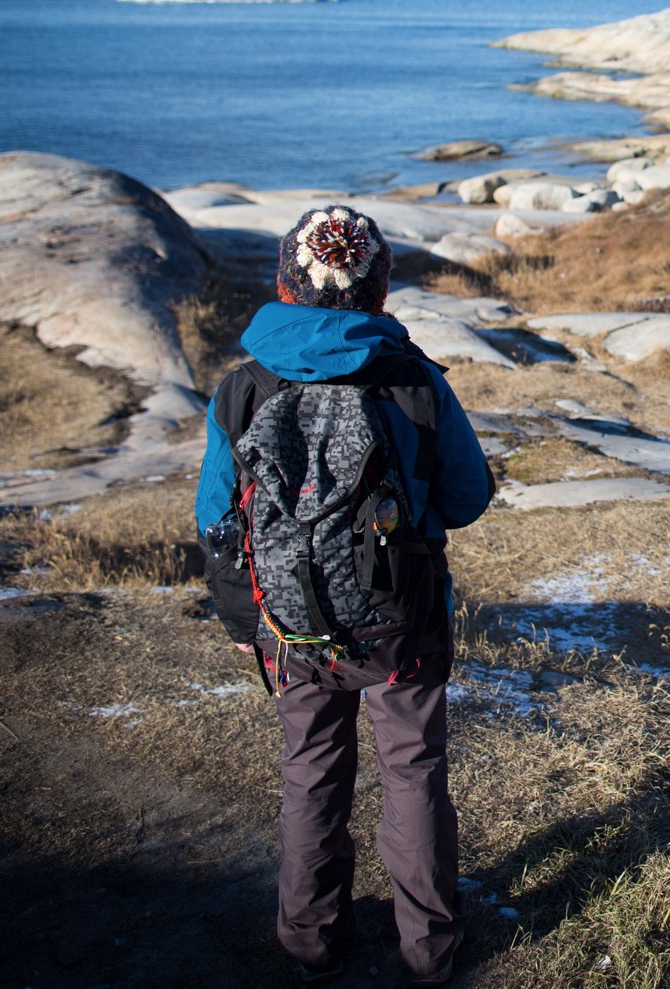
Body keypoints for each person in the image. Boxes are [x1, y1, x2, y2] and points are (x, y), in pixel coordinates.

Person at [196, 206, 492, 986]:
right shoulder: (413, 379)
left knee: (311, 771)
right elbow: (465, 494)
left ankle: (310, 944)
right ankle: (430, 950)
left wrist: (241, 619)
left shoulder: (243, 387)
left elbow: (216, 521)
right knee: (414, 770)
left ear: (283, 286)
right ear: (381, 290)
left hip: (287, 628)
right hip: (404, 623)